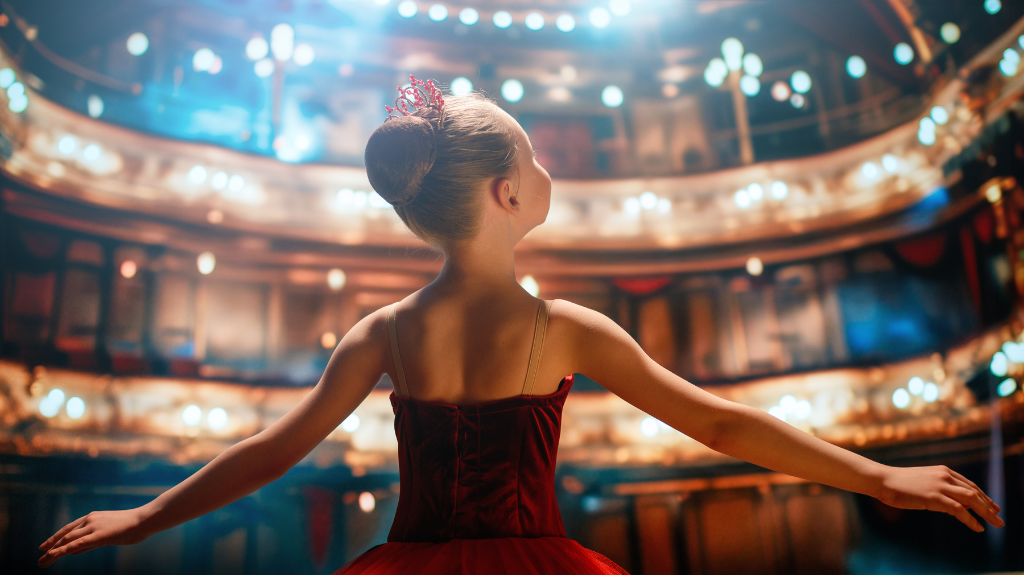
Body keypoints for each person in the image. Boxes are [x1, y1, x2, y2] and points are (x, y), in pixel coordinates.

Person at [38, 78, 1004, 573]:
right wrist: (880, 472)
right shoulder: (566, 329)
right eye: (537, 158)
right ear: (509, 193)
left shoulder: (383, 332)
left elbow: (272, 449)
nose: (548, 169)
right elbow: (720, 425)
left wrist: (146, 516)